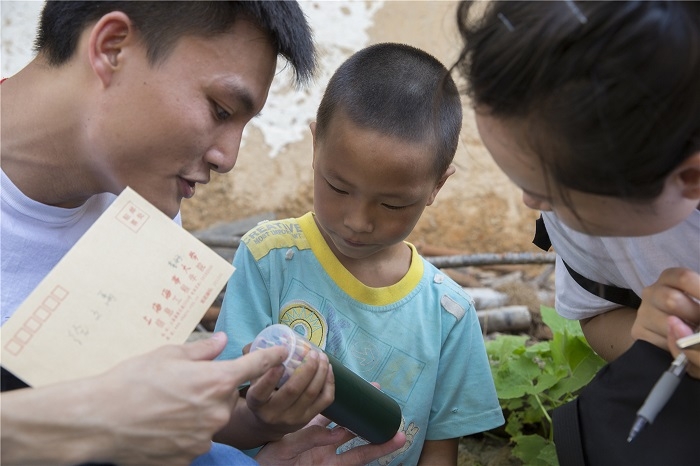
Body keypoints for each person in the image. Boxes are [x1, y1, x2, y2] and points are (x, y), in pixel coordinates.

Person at [0, 2, 405, 465]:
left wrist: (259, 426)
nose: (227, 158)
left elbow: (138, 417)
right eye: (220, 109)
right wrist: (90, 419)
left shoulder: (141, 212)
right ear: (112, 48)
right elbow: (105, 420)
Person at [214, 42, 505, 465]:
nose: (358, 220)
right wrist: (262, 418)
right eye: (337, 187)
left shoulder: (448, 314)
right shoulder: (269, 258)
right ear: (316, 146)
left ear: (437, 186)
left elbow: (441, 451)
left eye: (391, 205)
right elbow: (219, 418)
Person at [454, 1, 699, 464]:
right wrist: (652, 335)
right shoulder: (576, 205)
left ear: (689, 180)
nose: (532, 205)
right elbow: (598, 317)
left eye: (551, 194)